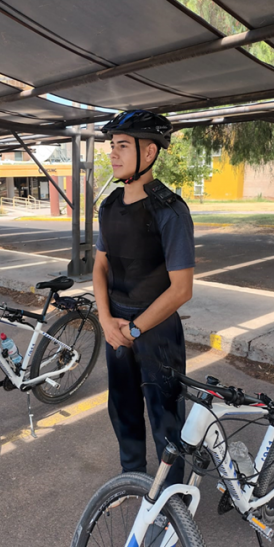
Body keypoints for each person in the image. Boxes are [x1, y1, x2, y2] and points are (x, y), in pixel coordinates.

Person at [93, 109, 194, 487]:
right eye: (112, 146)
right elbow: (100, 268)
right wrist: (106, 320)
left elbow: (182, 289)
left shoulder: (170, 210)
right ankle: (132, 476)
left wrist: (134, 329)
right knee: (123, 407)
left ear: (149, 153)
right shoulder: (109, 206)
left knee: (166, 416)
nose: (113, 154)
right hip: (116, 325)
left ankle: (172, 497)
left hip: (155, 332)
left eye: (122, 146)